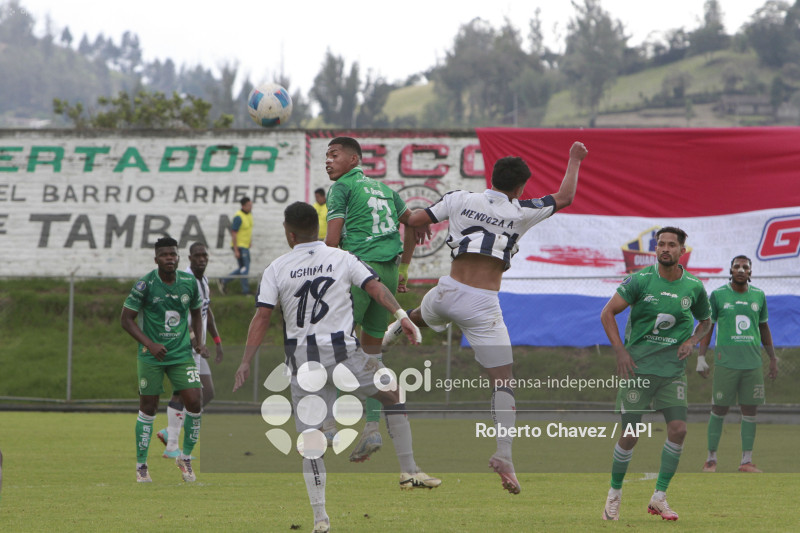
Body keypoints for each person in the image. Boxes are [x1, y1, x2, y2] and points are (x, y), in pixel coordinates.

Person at [383, 142, 589, 494]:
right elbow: (565, 196)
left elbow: (413, 219)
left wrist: (411, 220)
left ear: (491, 178)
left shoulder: (459, 198)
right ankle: (504, 454)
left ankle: (395, 329)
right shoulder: (522, 210)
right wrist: (574, 158)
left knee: (424, 313)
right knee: (503, 382)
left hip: (447, 291)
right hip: (482, 304)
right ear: (520, 187)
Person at [233, 202, 440, 533]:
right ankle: (408, 469)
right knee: (394, 393)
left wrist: (245, 361)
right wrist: (402, 316)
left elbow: (262, 316)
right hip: (345, 356)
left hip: (303, 363)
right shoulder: (342, 257)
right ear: (316, 228)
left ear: (289, 233)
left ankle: (320, 518)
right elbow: (375, 287)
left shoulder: (277, 268)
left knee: (311, 444)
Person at [599, 227, 712, 522]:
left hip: (672, 372)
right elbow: (607, 313)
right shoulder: (640, 280)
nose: (665, 249)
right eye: (661, 244)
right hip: (637, 370)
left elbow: (706, 321)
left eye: (672, 245)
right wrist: (621, 352)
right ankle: (614, 494)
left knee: (679, 429)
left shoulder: (694, 287)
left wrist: (691, 341)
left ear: (682, 251)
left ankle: (659, 497)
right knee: (630, 435)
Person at [323, 136, 419, 462]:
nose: (328, 161)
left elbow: (331, 242)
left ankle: (329, 424)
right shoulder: (386, 190)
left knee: (334, 346)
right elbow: (413, 224)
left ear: (353, 160)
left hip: (358, 271)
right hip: (387, 273)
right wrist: (403, 269)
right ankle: (372, 428)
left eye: (334, 155)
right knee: (372, 355)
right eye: (326, 156)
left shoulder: (341, 188)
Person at [121, 236, 207, 483]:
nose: (170, 258)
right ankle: (141, 465)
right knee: (148, 407)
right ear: (156, 259)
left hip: (181, 354)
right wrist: (149, 344)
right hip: (151, 356)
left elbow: (197, 313)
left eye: (173, 254)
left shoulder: (189, 283)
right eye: (165, 255)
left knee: (195, 401)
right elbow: (125, 319)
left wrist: (198, 341)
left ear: (178, 257)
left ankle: (185, 458)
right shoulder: (145, 285)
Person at [698, 255, 778, 474]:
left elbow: (764, 328)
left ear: (750, 272)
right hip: (726, 363)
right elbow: (708, 326)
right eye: (737, 266)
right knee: (719, 408)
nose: (741, 270)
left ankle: (746, 461)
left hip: (752, 363)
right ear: (731, 271)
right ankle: (711, 459)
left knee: (750, 410)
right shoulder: (718, 295)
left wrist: (772, 358)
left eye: (745, 267)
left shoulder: (759, 295)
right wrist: (701, 357)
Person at [156, 242, 224, 458]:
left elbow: (205, 311)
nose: (202, 259)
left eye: (205, 256)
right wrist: (196, 342)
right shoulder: (185, 281)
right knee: (183, 392)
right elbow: (181, 319)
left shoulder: (203, 280)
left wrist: (216, 340)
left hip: (198, 348)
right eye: (197, 256)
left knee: (207, 392)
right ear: (189, 258)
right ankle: (171, 446)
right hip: (184, 345)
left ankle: (170, 432)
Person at [218, 197, 254, 295]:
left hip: (245, 245)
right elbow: (234, 233)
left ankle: (224, 280)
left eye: (251, 205)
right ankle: (246, 291)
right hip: (240, 246)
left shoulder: (249, 215)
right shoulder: (238, 217)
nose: (251, 207)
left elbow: (248, 229)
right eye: (249, 205)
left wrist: (249, 241)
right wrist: (236, 250)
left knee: (242, 268)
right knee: (245, 268)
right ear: (243, 206)